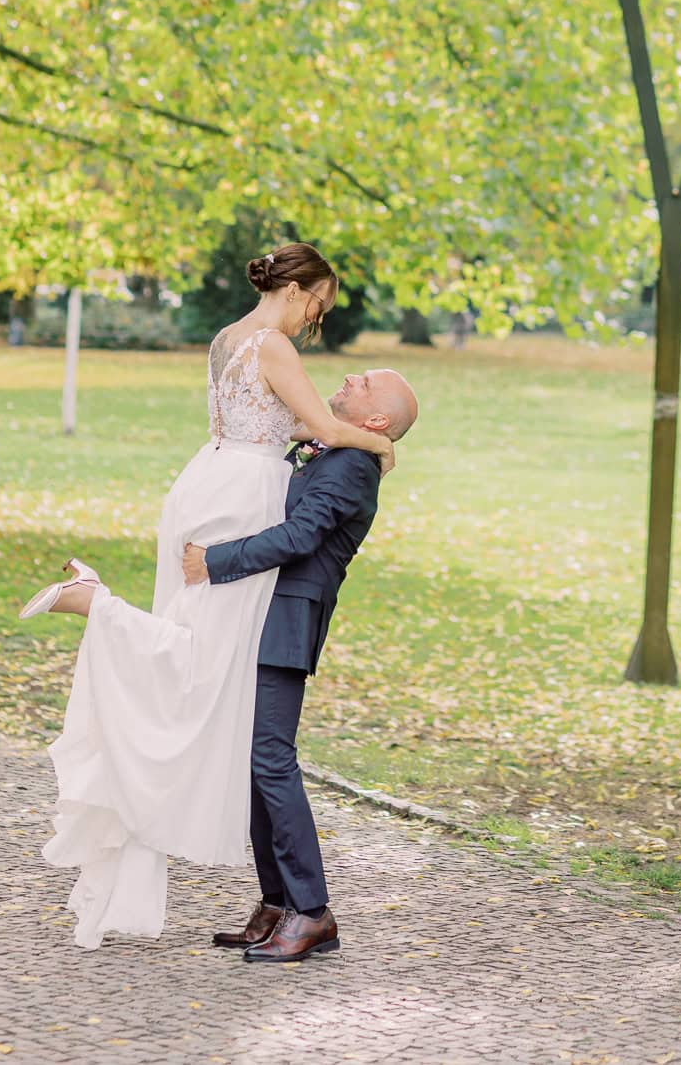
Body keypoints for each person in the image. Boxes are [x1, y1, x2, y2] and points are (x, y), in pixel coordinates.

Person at [17, 242, 394, 950]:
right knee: (202, 672)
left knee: (209, 680)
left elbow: (305, 435)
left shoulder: (228, 337)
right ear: (299, 287)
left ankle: (287, 904)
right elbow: (325, 427)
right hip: (242, 500)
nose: (323, 316)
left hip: (209, 483)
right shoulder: (275, 346)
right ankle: (101, 606)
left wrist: (357, 441)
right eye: (322, 299)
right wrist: (379, 444)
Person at [182, 365, 418, 962]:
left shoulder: (354, 469)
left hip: (285, 620)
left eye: (363, 382)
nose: (348, 376)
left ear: (377, 420)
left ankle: (312, 912)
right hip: (255, 614)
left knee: (270, 759)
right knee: (254, 760)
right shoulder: (333, 447)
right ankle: (276, 902)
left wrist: (215, 561)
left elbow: (298, 536)